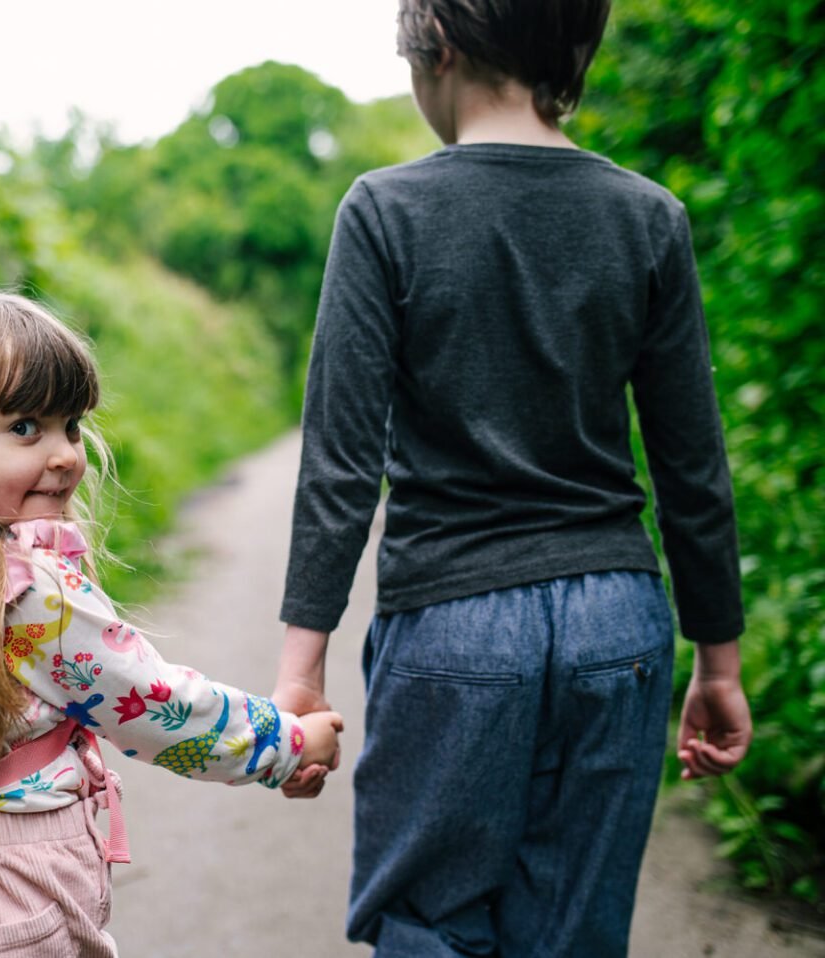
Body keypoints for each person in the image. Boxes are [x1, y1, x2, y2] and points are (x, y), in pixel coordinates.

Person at [271, 0, 753, 954]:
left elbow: (340, 461)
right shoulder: (648, 216)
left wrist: (300, 672)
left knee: (428, 924)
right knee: (576, 930)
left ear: (436, 47)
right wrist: (721, 661)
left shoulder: (385, 209)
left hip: (454, 624)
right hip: (620, 620)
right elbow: (690, 464)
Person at [0, 285, 344, 957]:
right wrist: (287, 743)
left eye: (70, 425)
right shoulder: (23, 591)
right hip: (4, 902)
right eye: (23, 427)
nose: (67, 453)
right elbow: (159, 707)